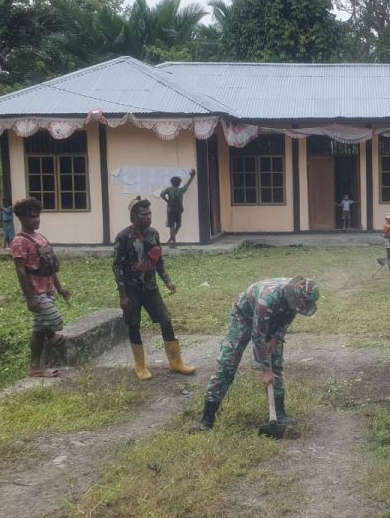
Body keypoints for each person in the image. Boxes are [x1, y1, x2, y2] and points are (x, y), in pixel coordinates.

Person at [192, 276, 320, 432]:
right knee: (228, 364)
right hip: (243, 316)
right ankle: (206, 420)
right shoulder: (267, 298)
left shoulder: (296, 298)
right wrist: (265, 370)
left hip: (272, 319)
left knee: (276, 366)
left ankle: (279, 414)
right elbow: (257, 336)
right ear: (292, 296)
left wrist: (275, 337)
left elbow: (288, 316)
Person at [113, 196, 195, 380]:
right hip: (131, 289)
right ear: (133, 216)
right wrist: (123, 295)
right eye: (143, 214)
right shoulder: (123, 237)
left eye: (149, 214)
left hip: (150, 288)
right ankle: (140, 366)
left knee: (165, 320)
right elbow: (116, 267)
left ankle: (176, 362)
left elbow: (158, 260)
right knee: (134, 324)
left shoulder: (154, 234)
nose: (148, 217)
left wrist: (167, 281)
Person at [10, 197, 71, 378]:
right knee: (55, 321)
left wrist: (60, 289)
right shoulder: (19, 242)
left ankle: (35, 367)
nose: (35, 220)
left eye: (37, 216)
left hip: (48, 288)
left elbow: (50, 267)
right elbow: (20, 271)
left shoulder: (40, 238)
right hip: (36, 291)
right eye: (31, 217)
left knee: (38, 329)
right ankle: (51, 335)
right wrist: (29, 298)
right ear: (21, 218)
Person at [159, 169, 196, 247]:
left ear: (171, 182)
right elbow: (187, 184)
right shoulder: (181, 190)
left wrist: (168, 201)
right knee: (178, 226)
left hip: (170, 209)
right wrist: (192, 176)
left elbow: (161, 194)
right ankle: (171, 241)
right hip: (179, 210)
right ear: (179, 184)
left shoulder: (168, 189)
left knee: (171, 226)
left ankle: (172, 242)